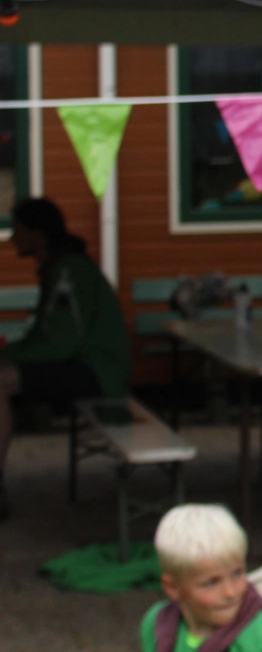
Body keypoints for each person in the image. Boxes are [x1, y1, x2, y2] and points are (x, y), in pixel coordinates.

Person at [0, 197, 130, 520]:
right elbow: (42, 337)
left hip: (98, 371)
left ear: (38, 236)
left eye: (18, 231)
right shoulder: (58, 268)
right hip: (81, 364)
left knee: (1, 383)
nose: (13, 238)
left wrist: (8, 358)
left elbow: (60, 346)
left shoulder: (70, 273)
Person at [140, 504, 262, 652]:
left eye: (237, 573)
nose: (230, 592)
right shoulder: (157, 625)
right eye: (212, 582)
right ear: (172, 588)